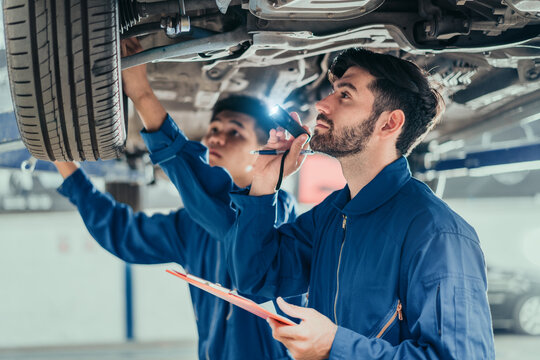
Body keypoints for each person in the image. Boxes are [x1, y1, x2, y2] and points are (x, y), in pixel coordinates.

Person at [226, 48, 496, 359]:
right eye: (333, 91)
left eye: (345, 95)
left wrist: (334, 346)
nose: (321, 104)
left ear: (389, 123)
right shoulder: (333, 214)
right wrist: (263, 186)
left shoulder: (438, 233)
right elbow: (256, 275)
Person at [53, 38, 301, 360]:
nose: (216, 137)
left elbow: (221, 211)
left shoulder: (278, 215)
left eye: (235, 131)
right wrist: (66, 167)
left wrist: (142, 94)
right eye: (214, 128)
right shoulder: (191, 225)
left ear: (263, 151)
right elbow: (123, 234)